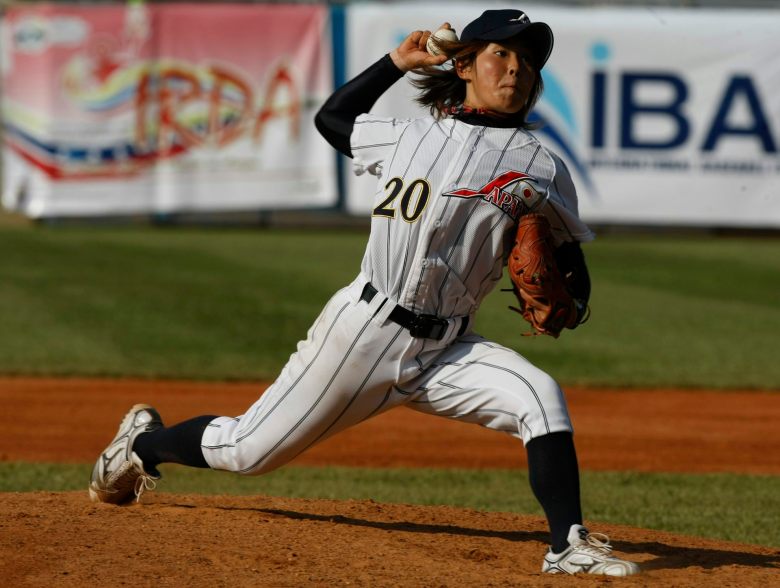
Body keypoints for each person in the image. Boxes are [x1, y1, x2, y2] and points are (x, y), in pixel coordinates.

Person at [89, 9, 639, 577]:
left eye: (527, 61)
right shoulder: (409, 137)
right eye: (502, 54)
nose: (516, 70)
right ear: (466, 63)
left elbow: (572, 266)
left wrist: (567, 293)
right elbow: (333, 118)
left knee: (539, 395)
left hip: (447, 349)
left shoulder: (543, 168)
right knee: (246, 451)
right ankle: (142, 446)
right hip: (364, 333)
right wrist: (399, 63)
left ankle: (567, 545)